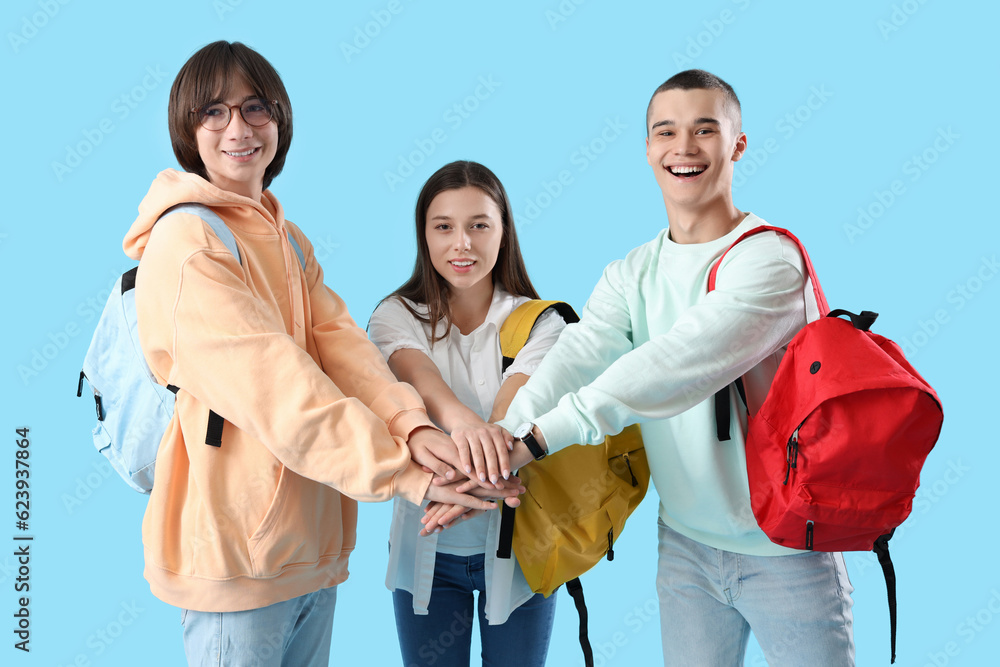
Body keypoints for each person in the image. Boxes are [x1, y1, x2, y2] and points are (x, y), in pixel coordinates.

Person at [428, 70, 856, 665]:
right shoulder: (631, 271)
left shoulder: (768, 259)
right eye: (667, 132)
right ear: (648, 148)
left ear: (738, 144)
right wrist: (503, 445)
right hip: (684, 548)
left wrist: (535, 441)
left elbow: (672, 367)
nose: (684, 148)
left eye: (705, 130)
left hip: (786, 550)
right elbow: (574, 359)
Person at [122, 42, 507, 666]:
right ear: (187, 128)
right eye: (213, 113)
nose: (239, 129)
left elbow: (344, 350)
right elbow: (279, 390)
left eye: (255, 108)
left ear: (280, 118)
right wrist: (405, 472)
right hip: (236, 560)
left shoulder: (286, 237)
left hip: (308, 552)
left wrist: (411, 428)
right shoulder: (188, 243)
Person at [368, 160, 567, 666]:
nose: (463, 244)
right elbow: (423, 384)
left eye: (479, 225)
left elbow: (514, 411)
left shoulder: (544, 321)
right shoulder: (394, 315)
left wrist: (488, 444)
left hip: (523, 550)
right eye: (444, 227)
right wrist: (475, 434)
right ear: (424, 236)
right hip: (425, 551)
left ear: (504, 231)